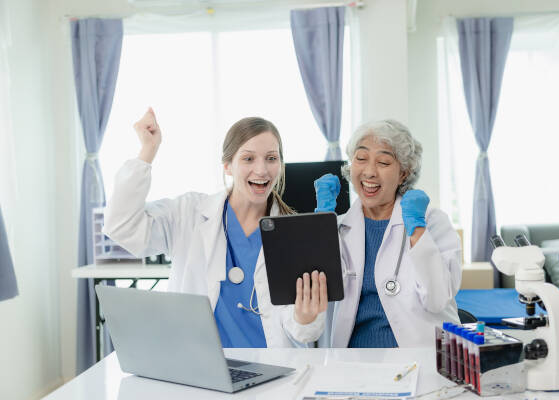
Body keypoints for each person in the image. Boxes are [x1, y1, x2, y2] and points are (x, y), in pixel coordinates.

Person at [103, 108, 326, 348]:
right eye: (248, 158)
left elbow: (303, 334)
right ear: (227, 166)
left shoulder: (296, 234)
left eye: (271, 158)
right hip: (203, 368)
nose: (261, 170)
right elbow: (122, 227)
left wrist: (306, 317)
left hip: (274, 368)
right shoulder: (189, 214)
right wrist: (148, 150)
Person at [289, 119, 461, 347]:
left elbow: (437, 299)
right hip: (351, 361)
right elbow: (314, 299)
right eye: (360, 159)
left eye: (383, 162)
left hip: (417, 358)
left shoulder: (431, 222)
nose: (369, 172)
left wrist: (418, 232)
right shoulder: (336, 227)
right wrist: (321, 227)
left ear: (404, 173)